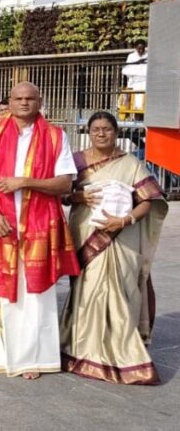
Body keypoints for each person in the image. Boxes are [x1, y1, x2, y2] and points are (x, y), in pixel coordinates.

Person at [0, 82, 79, 380]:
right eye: (18, 98)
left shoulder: (56, 136)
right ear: (10, 100)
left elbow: (65, 183)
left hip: (39, 224)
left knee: (36, 293)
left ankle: (35, 358)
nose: (23, 103)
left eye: (29, 98)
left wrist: (25, 182)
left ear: (39, 101)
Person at [60, 112, 168, 384]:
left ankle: (121, 352)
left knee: (119, 291)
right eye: (95, 129)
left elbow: (149, 200)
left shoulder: (130, 163)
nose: (101, 134)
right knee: (87, 291)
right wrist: (78, 195)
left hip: (121, 237)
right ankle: (84, 350)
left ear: (116, 131)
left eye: (106, 129)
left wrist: (125, 219)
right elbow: (61, 194)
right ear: (88, 132)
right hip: (86, 231)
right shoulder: (76, 161)